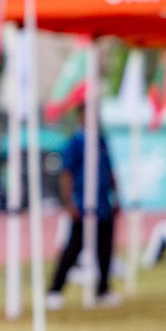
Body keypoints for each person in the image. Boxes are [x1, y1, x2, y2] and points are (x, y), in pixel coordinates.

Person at [48, 126, 121, 309]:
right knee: (73, 248)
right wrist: (68, 202)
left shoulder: (100, 140)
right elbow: (67, 173)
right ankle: (54, 291)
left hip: (103, 203)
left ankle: (102, 289)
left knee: (105, 250)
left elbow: (109, 170)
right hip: (82, 203)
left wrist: (116, 195)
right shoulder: (76, 143)